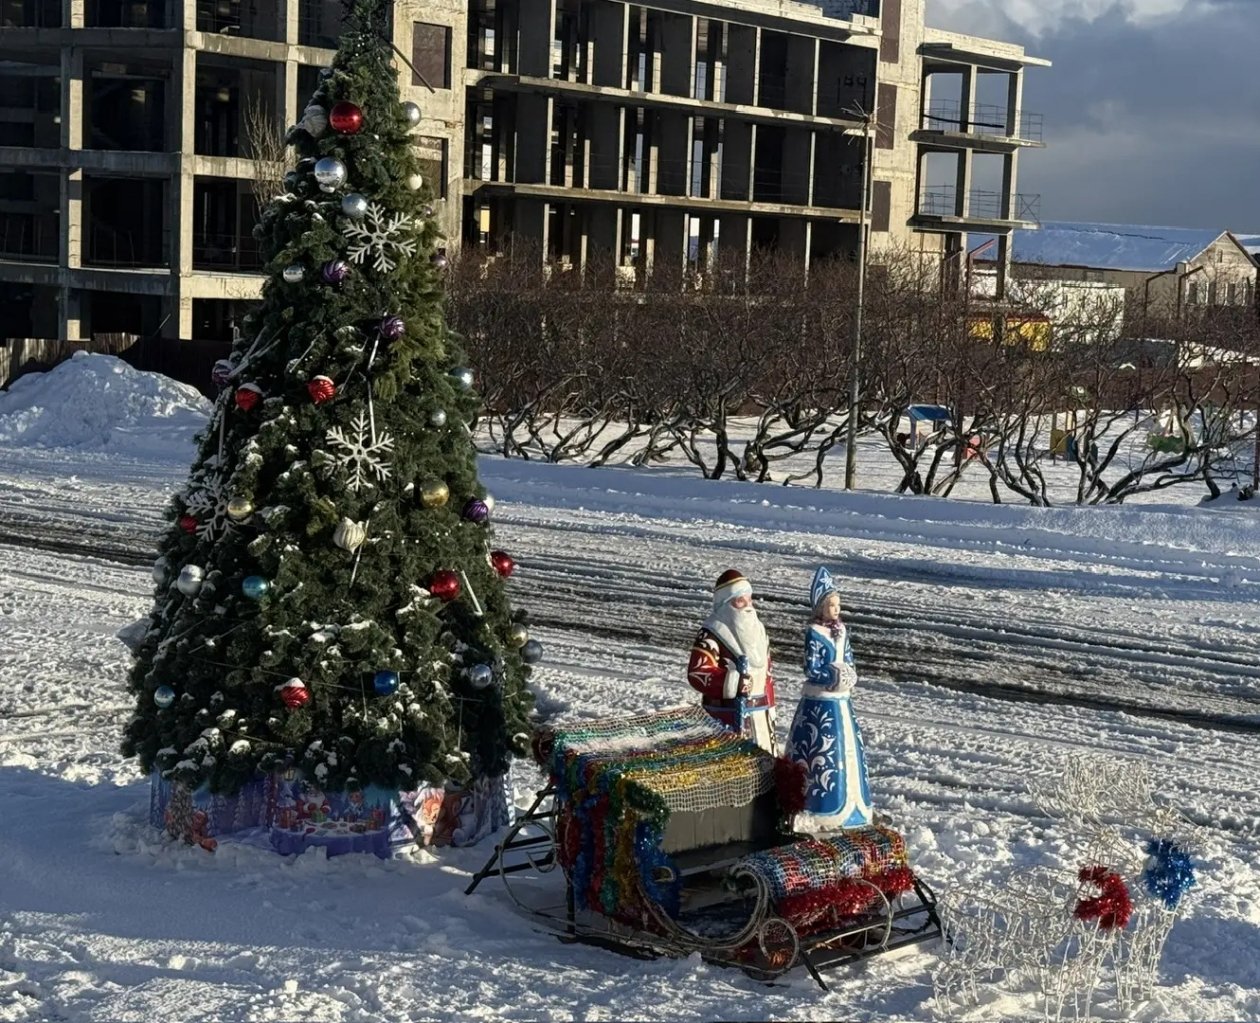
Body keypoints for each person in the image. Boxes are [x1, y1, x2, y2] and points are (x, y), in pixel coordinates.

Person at [788, 567, 872, 830]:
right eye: (831, 605)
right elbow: (811, 668)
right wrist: (831, 675)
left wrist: (849, 674)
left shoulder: (842, 631)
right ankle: (816, 808)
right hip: (820, 703)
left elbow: (849, 659)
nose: (836, 609)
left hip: (841, 702)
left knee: (847, 748)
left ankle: (853, 806)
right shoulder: (814, 632)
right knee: (818, 749)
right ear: (820, 608)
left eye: (838, 604)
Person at [687, 569, 778, 754]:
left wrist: (771, 704)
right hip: (725, 717)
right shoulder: (711, 633)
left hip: (761, 716)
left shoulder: (759, 631)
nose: (748, 606)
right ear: (726, 604)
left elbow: (767, 675)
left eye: (749, 599)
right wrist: (733, 682)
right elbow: (698, 673)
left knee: (767, 763)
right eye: (740, 600)